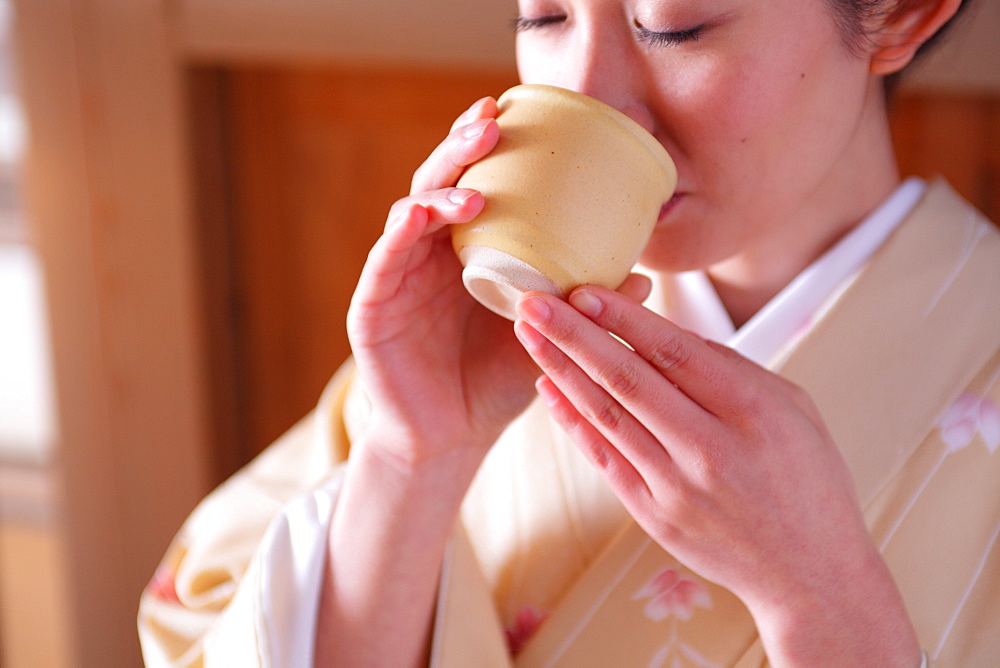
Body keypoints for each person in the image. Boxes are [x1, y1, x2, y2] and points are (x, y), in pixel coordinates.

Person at [139, 0, 1000, 665]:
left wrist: (826, 604)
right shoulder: (472, 339)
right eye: (544, 16)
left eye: (676, 26)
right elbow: (199, 618)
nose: (586, 99)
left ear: (905, 10)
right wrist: (414, 458)